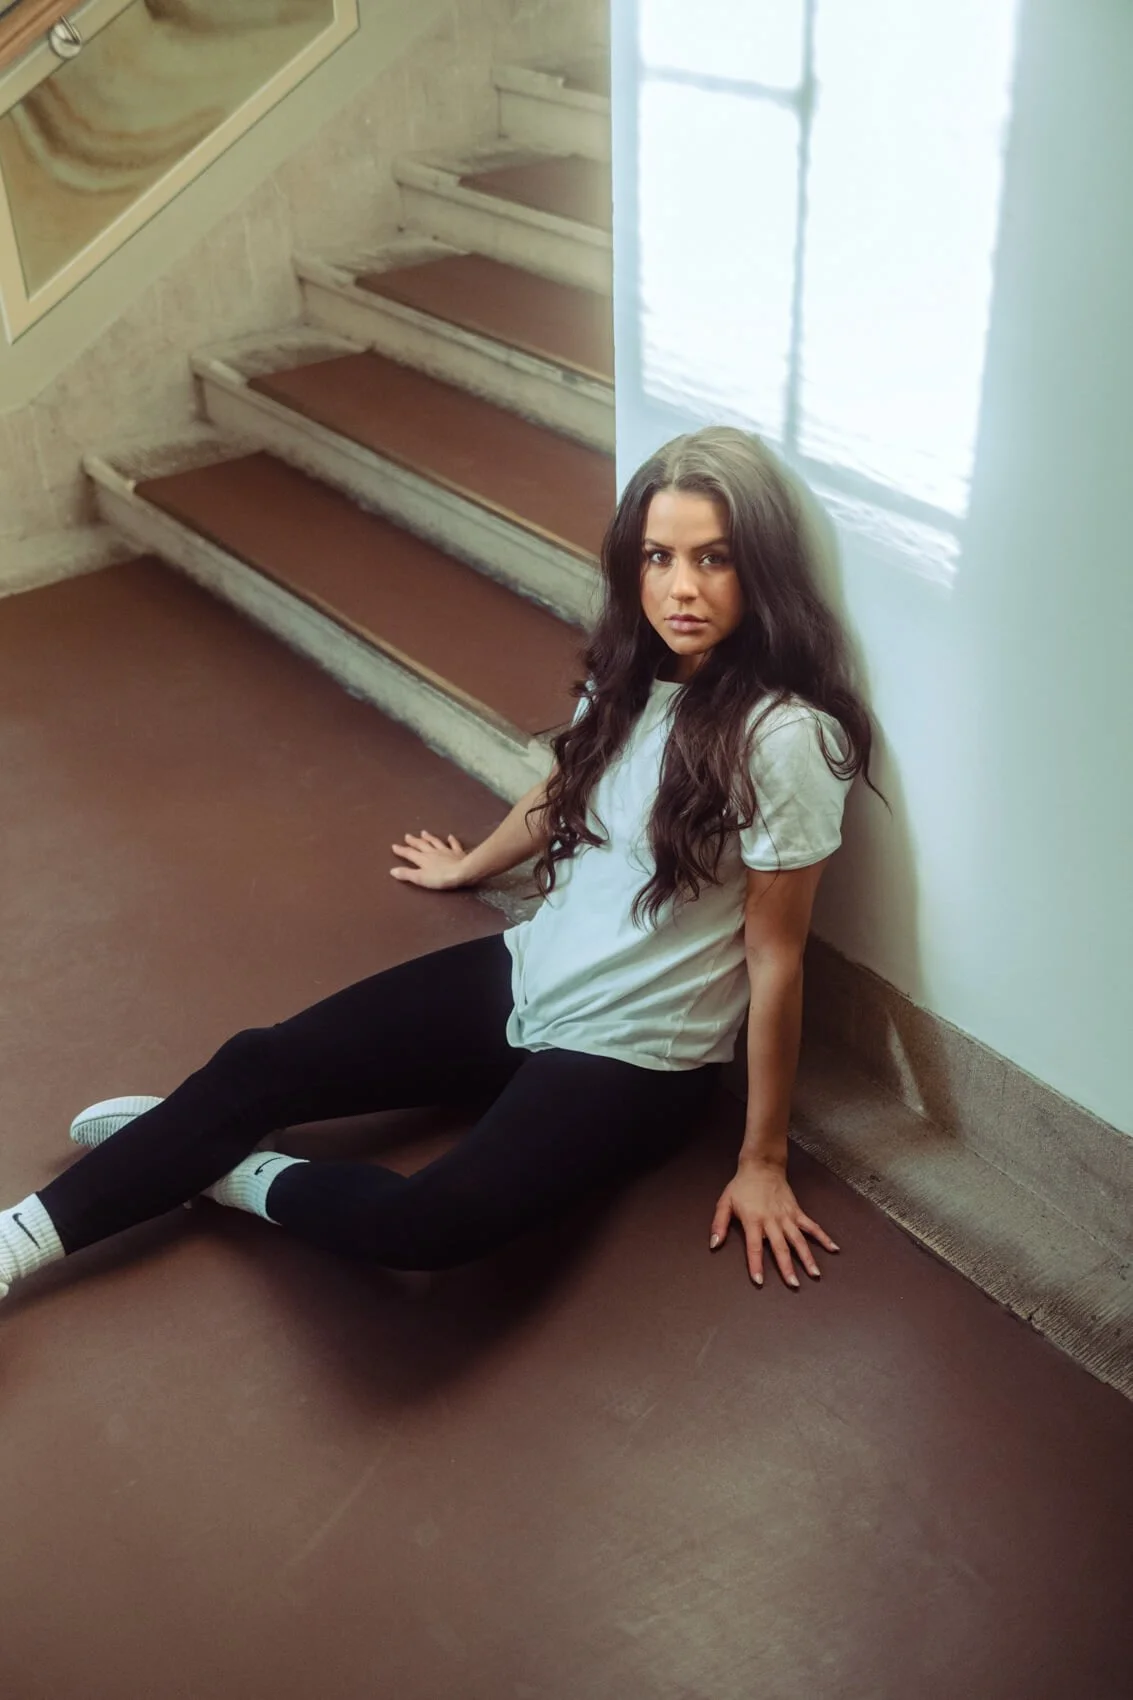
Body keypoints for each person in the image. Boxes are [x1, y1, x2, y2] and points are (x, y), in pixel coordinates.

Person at [0, 426, 885, 1306]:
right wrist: (472, 867)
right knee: (257, 1063)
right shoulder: (632, 674)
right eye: (658, 557)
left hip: (634, 1055)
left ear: (760, 568)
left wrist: (762, 1160)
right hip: (532, 971)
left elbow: (775, 956)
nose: (680, 587)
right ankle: (17, 1240)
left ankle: (230, 1171)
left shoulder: (786, 738)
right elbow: (564, 788)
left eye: (714, 559)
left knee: (423, 1227)